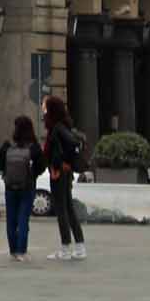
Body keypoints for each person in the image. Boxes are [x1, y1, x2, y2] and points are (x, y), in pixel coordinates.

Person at [40, 95, 87, 261]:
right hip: (61, 173)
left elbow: (72, 144)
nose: (42, 109)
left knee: (62, 210)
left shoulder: (57, 128)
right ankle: (79, 247)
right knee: (68, 209)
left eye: (45, 107)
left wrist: (61, 165)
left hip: (59, 174)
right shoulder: (61, 126)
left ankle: (66, 248)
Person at [0, 115, 42, 262]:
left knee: (11, 219)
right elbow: (42, 165)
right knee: (23, 219)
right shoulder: (33, 148)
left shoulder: (7, 147)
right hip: (27, 187)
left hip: (10, 188)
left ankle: (13, 251)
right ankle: (22, 251)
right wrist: (32, 174)